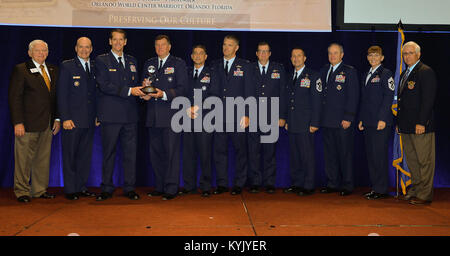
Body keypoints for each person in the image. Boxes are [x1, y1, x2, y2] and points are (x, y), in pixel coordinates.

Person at [94, 29, 145, 201]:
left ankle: (129, 188)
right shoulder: (101, 60)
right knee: (109, 153)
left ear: (125, 42)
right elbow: (104, 85)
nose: (117, 42)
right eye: (114, 40)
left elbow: (135, 85)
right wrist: (131, 90)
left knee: (130, 154)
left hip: (130, 116)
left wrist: (143, 89)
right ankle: (107, 188)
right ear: (110, 42)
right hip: (110, 116)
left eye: (120, 40)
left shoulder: (132, 60)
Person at [8, 39, 60, 203]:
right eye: (37, 51)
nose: (41, 53)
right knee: (23, 160)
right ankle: (22, 191)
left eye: (44, 50)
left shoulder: (52, 69)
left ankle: (38, 190)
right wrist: (18, 122)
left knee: (42, 160)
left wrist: (57, 118)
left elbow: (56, 98)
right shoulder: (21, 70)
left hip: (47, 123)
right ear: (30, 53)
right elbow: (14, 98)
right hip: (27, 124)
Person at [141, 34, 188, 200]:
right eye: (157, 45)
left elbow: (183, 89)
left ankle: (171, 188)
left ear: (169, 47)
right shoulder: (149, 63)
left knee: (171, 154)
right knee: (156, 155)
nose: (159, 48)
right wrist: (144, 94)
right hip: (153, 117)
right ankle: (159, 186)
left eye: (162, 45)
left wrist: (163, 94)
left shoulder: (178, 64)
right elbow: (145, 87)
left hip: (171, 117)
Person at [210, 35, 254, 196]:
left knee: (241, 151)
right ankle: (222, 183)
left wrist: (248, 114)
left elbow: (250, 91)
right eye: (224, 44)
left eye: (229, 45)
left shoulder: (245, 66)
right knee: (219, 151)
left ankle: (239, 183)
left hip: (239, 116)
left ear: (236, 48)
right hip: (219, 116)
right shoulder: (214, 65)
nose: (225, 48)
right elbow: (211, 91)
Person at [57, 37, 98, 200]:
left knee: (84, 156)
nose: (84, 50)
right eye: (81, 47)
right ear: (75, 48)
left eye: (87, 47)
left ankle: (81, 187)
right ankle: (70, 189)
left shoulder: (95, 66)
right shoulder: (67, 66)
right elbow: (62, 94)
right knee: (70, 155)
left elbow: (95, 95)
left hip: (89, 120)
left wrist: (97, 115)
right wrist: (65, 118)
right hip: (72, 121)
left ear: (91, 49)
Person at [397, 41, 437, 205]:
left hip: (420, 126)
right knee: (412, 160)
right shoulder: (404, 74)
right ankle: (416, 188)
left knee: (424, 160)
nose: (407, 56)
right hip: (406, 125)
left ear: (418, 54)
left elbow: (428, 100)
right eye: (405, 53)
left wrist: (422, 122)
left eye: (410, 53)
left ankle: (425, 194)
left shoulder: (425, 72)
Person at [319, 43, 359, 196]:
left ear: (342, 55)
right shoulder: (324, 71)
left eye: (335, 53)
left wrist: (348, 117)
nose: (332, 56)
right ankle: (332, 183)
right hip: (327, 120)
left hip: (342, 121)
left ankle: (347, 185)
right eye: (330, 53)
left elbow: (353, 96)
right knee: (330, 155)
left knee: (345, 154)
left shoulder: (349, 71)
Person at [247, 42, 286, 194]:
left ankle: (269, 182)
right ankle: (255, 182)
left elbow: (283, 93)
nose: (263, 54)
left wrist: (282, 116)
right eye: (260, 51)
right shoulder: (250, 68)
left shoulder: (279, 69)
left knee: (270, 152)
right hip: (253, 116)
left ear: (270, 53)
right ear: (256, 53)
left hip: (272, 117)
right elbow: (245, 92)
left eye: (266, 51)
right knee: (253, 151)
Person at [358, 46, 394, 200]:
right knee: (371, 156)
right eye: (370, 55)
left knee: (379, 156)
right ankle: (375, 187)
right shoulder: (366, 74)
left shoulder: (386, 74)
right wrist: (361, 119)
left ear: (382, 57)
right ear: (367, 58)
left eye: (376, 55)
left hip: (380, 123)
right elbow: (364, 100)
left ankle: (382, 189)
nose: (373, 58)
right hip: (368, 122)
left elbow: (388, 97)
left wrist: (383, 119)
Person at [284, 47, 322, 196]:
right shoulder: (289, 76)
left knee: (307, 156)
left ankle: (308, 185)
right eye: (293, 56)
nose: (296, 59)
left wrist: (315, 122)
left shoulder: (313, 76)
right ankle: (297, 183)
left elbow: (317, 102)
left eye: (299, 56)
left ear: (304, 58)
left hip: (306, 123)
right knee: (295, 156)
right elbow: (288, 100)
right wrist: (286, 119)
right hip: (292, 123)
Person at [180, 44, 214, 197]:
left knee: (205, 154)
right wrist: (187, 107)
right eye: (195, 53)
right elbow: (180, 92)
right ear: (192, 56)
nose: (198, 56)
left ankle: (206, 186)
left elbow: (215, 96)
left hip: (205, 120)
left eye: (201, 53)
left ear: (206, 56)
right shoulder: (185, 73)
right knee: (188, 154)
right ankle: (189, 185)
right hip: (187, 119)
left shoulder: (212, 73)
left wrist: (198, 107)